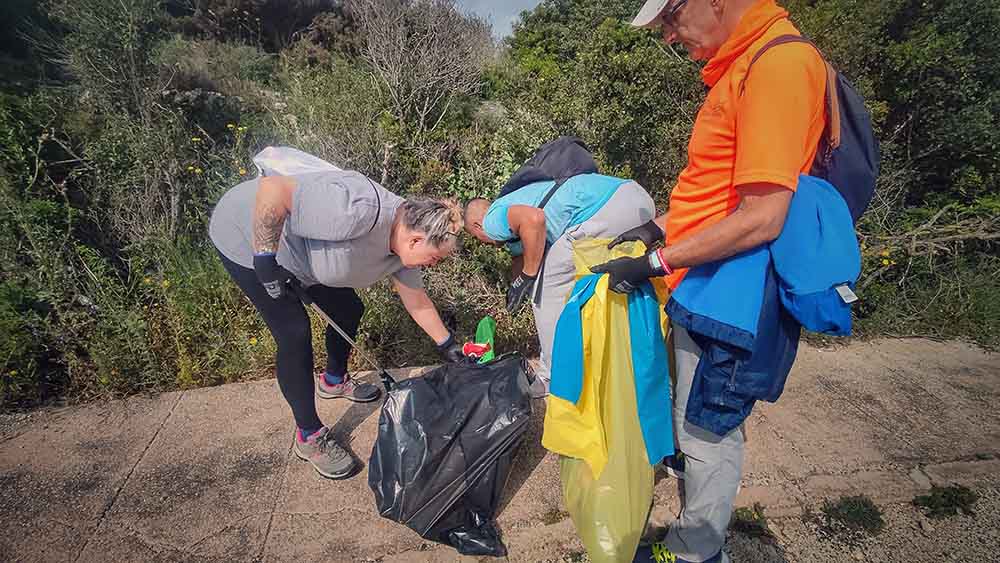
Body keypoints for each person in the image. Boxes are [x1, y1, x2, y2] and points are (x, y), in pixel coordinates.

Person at [592, 0, 829, 561]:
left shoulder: (776, 65)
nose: (670, 38)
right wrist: (657, 228)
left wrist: (655, 262)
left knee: (706, 431)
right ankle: (695, 537)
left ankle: (695, 551)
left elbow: (762, 217)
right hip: (705, 287)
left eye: (670, 19)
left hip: (734, 300)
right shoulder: (741, 65)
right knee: (691, 425)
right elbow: (718, 195)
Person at [209, 169, 467, 480]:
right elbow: (273, 189)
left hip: (306, 259)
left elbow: (417, 301)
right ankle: (309, 436)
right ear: (415, 239)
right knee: (294, 333)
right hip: (249, 235)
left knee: (348, 308)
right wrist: (265, 259)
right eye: (435, 258)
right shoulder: (356, 210)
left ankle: (333, 381)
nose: (433, 265)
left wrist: (448, 346)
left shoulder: (405, 246)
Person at [464, 173, 657, 398]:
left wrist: (528, 277)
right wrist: (515, 286)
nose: (484, 244)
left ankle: (551, 378)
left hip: (605, 208)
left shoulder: (492, 218)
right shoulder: (515, 211)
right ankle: (633, 370)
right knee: (613, 287)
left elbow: (534, 220)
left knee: (546, 290)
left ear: (477, 226)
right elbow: (522, 257)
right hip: (638, 200)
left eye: (477, 238)